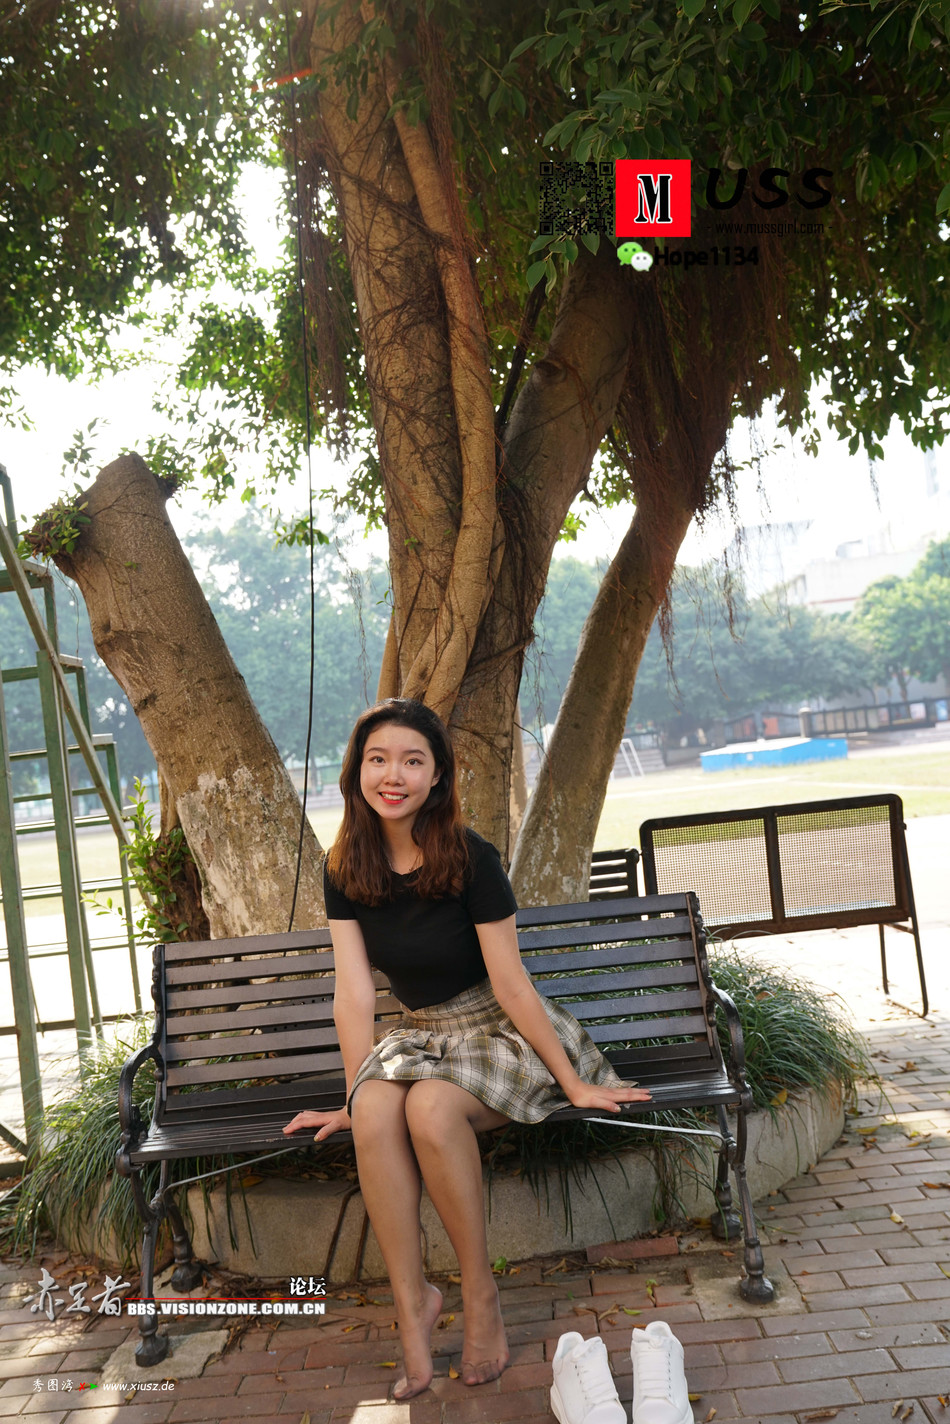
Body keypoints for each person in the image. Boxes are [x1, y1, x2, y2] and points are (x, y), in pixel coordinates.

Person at [283, 698, 650, 1401]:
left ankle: (480, 1296)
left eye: (412, 761)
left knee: (428, 1109)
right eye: (378, 759)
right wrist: (353, 1094)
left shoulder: (470, 857)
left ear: (437, 776)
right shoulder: (344, 867)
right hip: (422, 1035)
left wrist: (573, 1081)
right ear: (357, 772)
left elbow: (512, 983)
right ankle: (412, 1303)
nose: (393, 776)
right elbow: (353, 994)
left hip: (499, 1032)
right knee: (375, 1110)